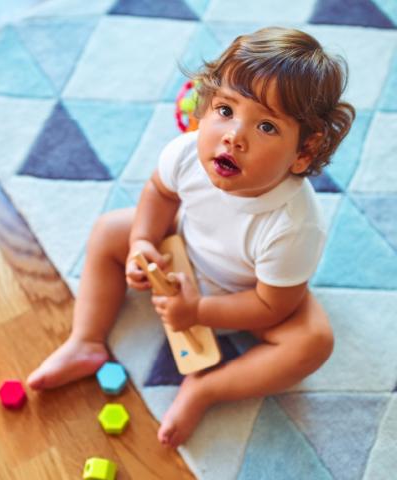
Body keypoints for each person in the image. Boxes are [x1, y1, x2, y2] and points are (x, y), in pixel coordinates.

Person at [27, 26, 355, 448]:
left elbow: (272, 306)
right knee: (111, 229)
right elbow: (160, 193)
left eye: (267, 127)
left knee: (312, 344)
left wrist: (198, 311)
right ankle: (85, 340)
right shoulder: (187, 152)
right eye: (225, 110)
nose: (234, 135)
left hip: (249, 290)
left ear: (304, 153)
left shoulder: (294, 226)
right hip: (182, 247)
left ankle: (207, 389)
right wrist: (144, 241)